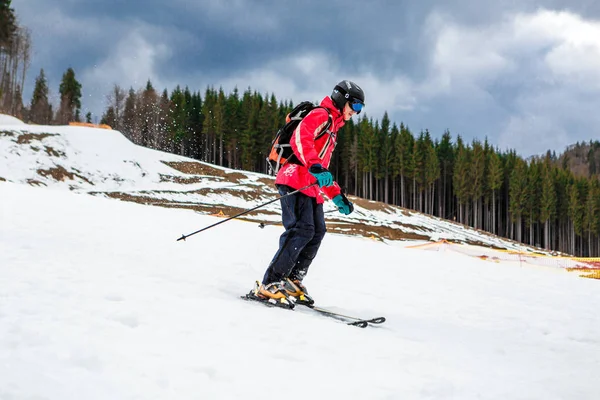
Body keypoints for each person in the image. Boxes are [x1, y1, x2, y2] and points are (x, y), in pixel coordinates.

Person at [254, 80, 365, 306]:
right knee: (301, 229)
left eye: (360, 109)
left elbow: (320, 168)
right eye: (355, 106)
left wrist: (335, 194)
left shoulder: (333, 127)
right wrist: (314, 165)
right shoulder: (321, 115)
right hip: (294, 178)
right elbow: (300, 138)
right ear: (342, 99)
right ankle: (271, 282)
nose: (356, 112)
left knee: (317, 231)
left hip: (310, 186)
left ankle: (292, 279)